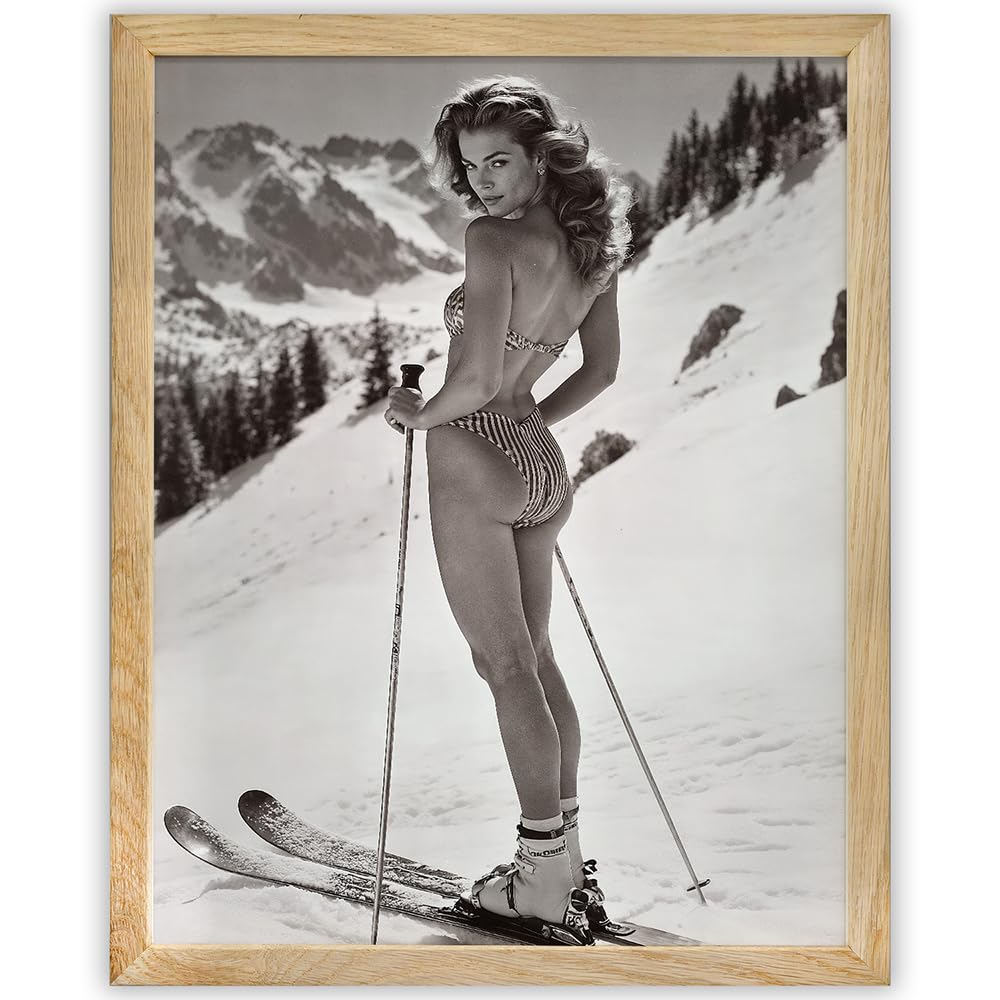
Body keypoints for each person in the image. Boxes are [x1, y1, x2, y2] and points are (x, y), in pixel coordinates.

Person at [385, 75, 632, 936]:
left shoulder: (491, 240)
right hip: (540, 465)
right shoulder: (593, 251)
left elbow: (479, 377)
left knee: (506, 667)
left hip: (474, 454)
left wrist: (419, 415)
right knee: (538, 663)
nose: (482, 181)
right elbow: (601, 371)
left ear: (541, 156)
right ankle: (565, 865)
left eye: (499, 161)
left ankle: (539, 881)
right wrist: (531, 422)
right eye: (470, 166)